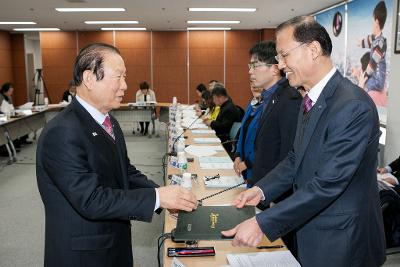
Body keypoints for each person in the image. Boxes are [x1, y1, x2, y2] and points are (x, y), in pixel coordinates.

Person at [222, 16, 386, 267]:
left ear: (313, 50)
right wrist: (262, 189)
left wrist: (262, 222)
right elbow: (296, 158)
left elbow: (327, 184)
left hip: (343, 241)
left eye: (284, 55)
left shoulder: (352, 106)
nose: (280, 64)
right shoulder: (311, 98)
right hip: (313, 232)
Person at [36, 43, 197, 267]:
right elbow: (91, 200)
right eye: (118, 77)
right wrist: (158, 197)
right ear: (89, 78)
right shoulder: (62, 132)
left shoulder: (108, 120)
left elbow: (124, 172)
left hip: (112, 242)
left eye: (125, 77)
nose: (125, 85)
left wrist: (162, 196)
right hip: (84, 255)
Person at [233, 84, 263, 181]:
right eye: (251, 82)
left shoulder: (267, 108)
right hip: (244, 166)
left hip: (256, 167)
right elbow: (242, 134)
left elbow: (265, 143)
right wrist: (238, 155)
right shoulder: (251, 105)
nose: (254, 85)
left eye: (257, 81)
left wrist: (248, 163)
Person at [359, 1, 387, 93]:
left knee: (362, 86)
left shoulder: (381, 43)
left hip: (377, 81)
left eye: (372, 21)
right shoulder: (377, 39)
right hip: (374, 77)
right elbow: (370, 40)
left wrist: (365, 76)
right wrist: (362, 43)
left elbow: (373, 62)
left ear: (376, 21)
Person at [203, 85, 240, 152]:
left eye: (214, 98)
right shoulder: (225, 106)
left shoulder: (228, 109)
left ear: (220, 97)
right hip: (221, 137)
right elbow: (220, 122)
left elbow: (223, 127)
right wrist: (211, 121)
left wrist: (211, 122)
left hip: (224, 142)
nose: (213, 101)